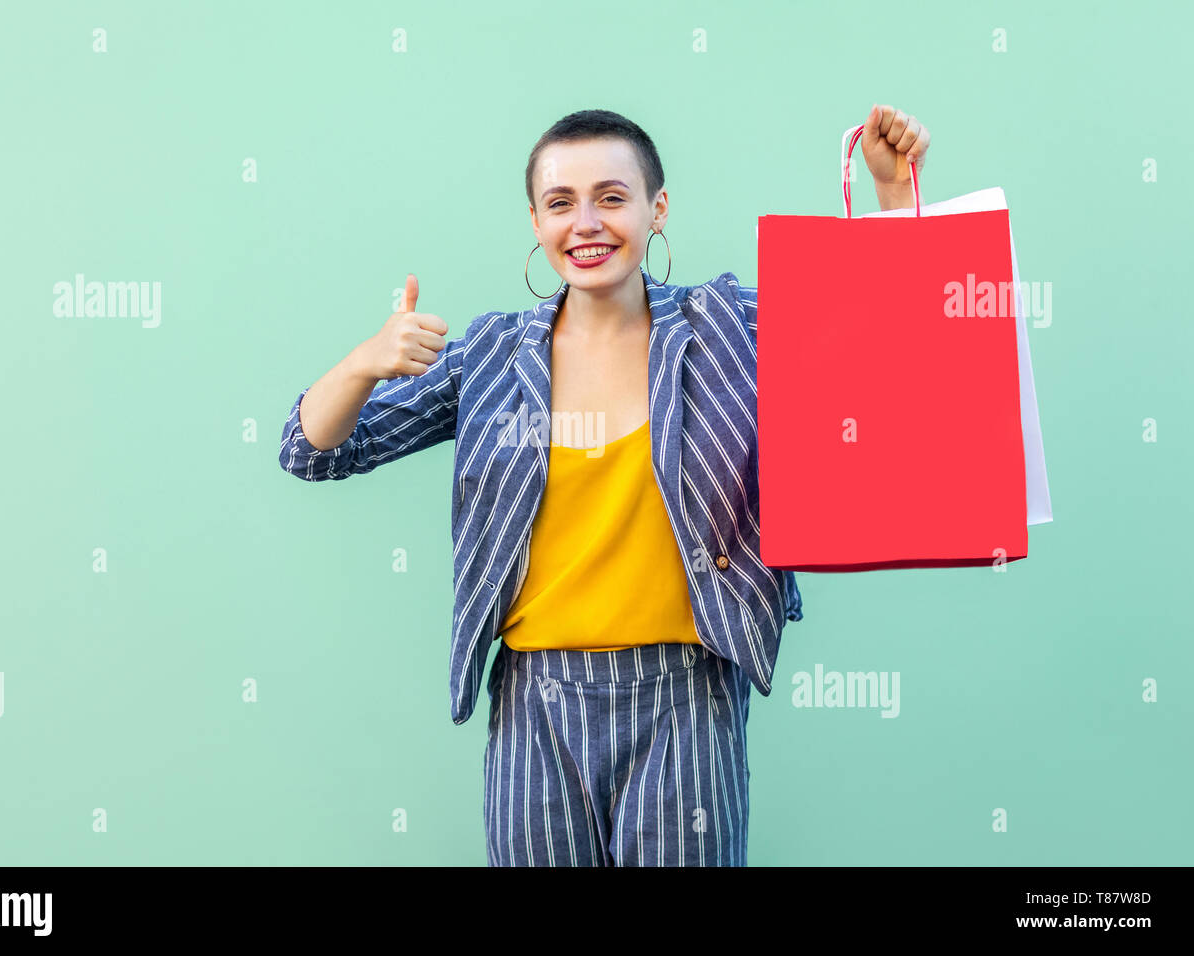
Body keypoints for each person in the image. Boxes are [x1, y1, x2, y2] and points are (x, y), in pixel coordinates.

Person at [278, 106, 930, 866]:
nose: (586, 223)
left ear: (657, 207)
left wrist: (893, 196)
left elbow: (885, 334)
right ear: (535, 220)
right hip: (534, 703)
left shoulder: (728, 327)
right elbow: (312, 450)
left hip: (687, 693)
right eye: (561, 203)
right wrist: (365, 362)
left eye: (612, 198)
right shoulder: (489, 356)